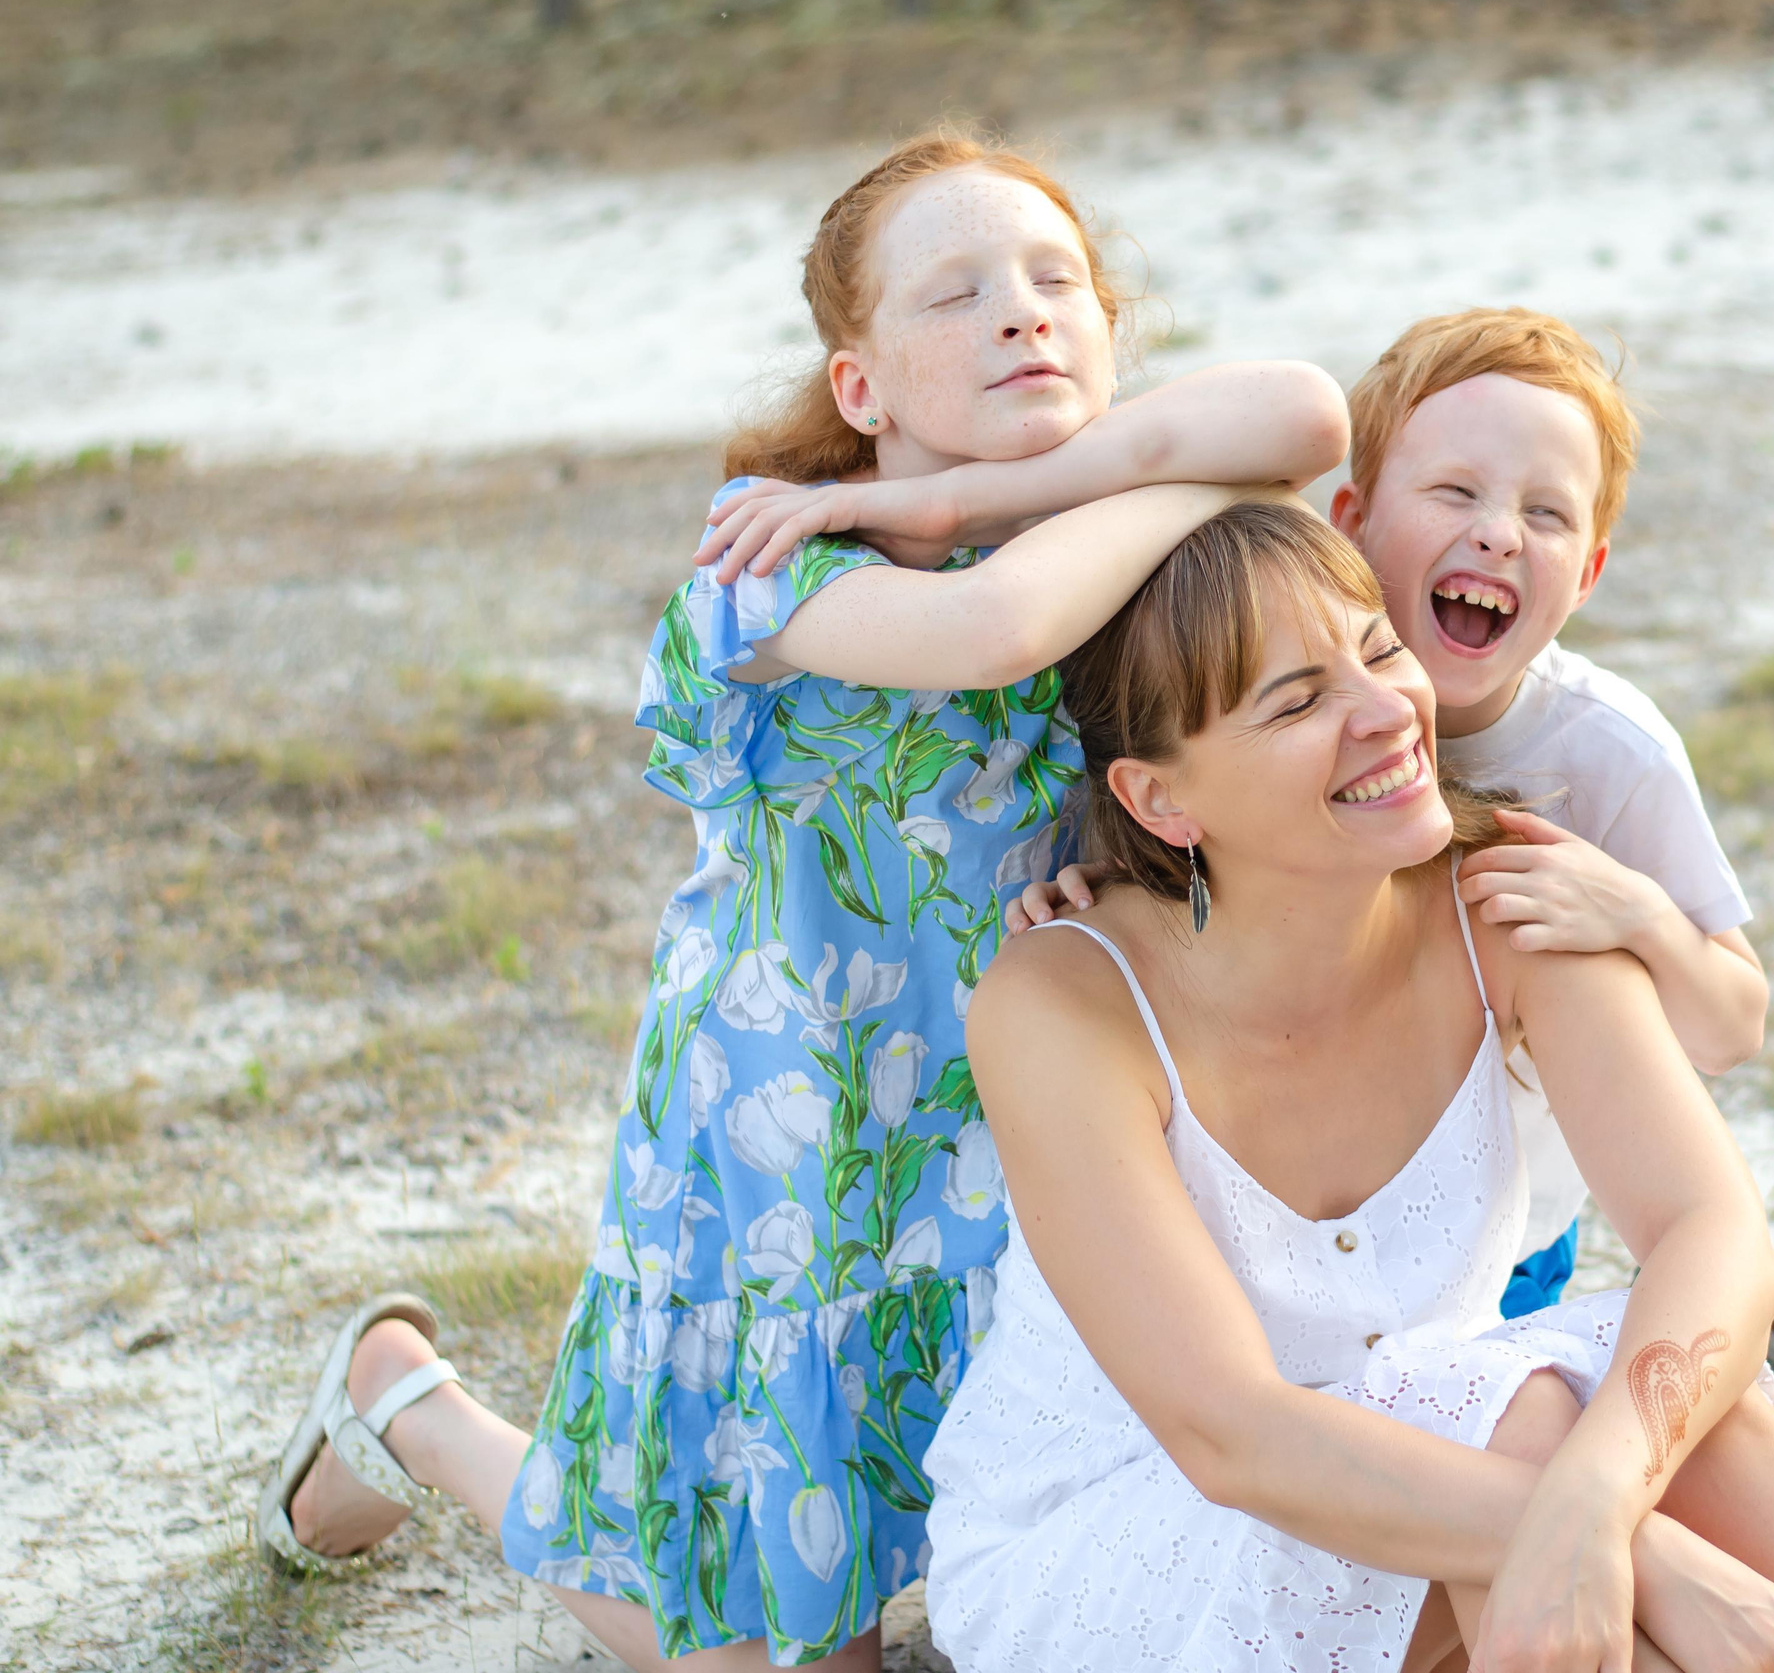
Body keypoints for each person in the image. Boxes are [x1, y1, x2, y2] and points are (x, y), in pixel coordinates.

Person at [253, 127, 1346, 1672]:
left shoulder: (1095, 545)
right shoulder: (773, 569)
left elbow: (1305, 412)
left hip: (1024, 1127)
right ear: (859, 390)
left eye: (1056, 282)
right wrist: (1183, 489)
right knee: (772, 1648)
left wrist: (1011, 478)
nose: (1022, 314)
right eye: (954, 297)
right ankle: (411, 1409)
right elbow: (990, 628)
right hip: (801, 1156)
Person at [928, 498, 1774, 1672]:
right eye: (1297, 700)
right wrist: (1636, 1545)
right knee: (1529, 1411)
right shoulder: (1065, 1005)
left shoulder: (1512, 903)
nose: (1386, 711)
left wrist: (1597, 1500)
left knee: (1659, 1412)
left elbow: (1712, 1233)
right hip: (1129, 1540)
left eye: (1377, 650)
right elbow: (1233, 1434)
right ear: (1159, 799)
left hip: (1453, 1471)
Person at [1013, 307, 1774, 1438]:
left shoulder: (1604, 753)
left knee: (1510, 1422)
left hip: (1513, 1213)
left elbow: (1732, 1022)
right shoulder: (1244, 698)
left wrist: (1638, 915)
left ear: (1587, 570)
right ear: (1348, 518)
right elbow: (1175, 869)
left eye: (1546, 514)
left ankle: (1727, 1324)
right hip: (1316, 1206)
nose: (1498, 534)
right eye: (1455, 494)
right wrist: (1088, 900)